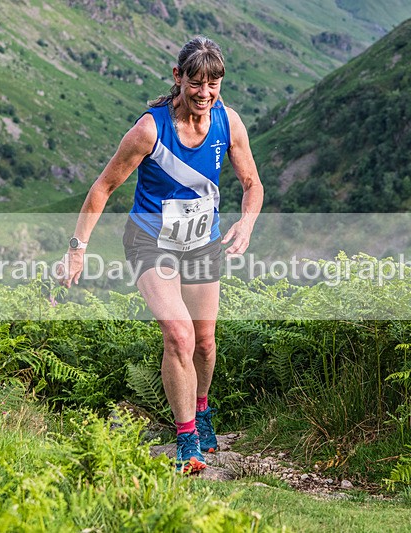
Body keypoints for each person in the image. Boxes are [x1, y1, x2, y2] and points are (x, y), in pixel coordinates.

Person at [61, 36, 263, 474]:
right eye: (196, 83)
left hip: (202, 243)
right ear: (178, 77)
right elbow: (103, 187)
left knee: (205, 344)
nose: (204, 94)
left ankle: (202, 410)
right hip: (151, 243)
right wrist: (77, 249)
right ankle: (186, 438)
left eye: (213, 84)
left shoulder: (228, 122)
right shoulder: (149, 130)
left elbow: (252, 183)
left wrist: (246, 224)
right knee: (180, 336)